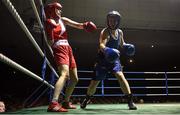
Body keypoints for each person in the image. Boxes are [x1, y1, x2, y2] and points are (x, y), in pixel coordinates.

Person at [44, 2, 97, 112]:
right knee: (64, 74)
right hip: (59, 48)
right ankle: (53, 103)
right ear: (51, 10)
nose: (60, 11)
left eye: (60, 9)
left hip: (68, 48)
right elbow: (50, 43)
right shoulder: (49, 22)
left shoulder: (63, 20)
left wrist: (85, 25)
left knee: (74, 78)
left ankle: (66, 102)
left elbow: (78, 25)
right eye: (57, 9)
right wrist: (49, 31)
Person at [80, 11, 137, 110]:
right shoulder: (105, 31)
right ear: (108, 21)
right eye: (110, 20)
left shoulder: (120, 32)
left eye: (114, 20)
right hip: (103, 59)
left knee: (120, 76)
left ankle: (130, 101)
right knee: (95, 82)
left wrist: (127, 47)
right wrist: (108, 50)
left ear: (118, 21)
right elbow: (102, 45)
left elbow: (122, 44)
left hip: (114, 59)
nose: (112, 22)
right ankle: (87, 98)